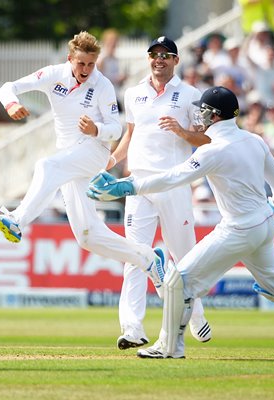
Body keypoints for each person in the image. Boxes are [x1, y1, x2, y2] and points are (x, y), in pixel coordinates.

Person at [87, 86, 274, 359]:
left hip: (238, 228)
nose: (199, 117)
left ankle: (169, 347)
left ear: (214, 116)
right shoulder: (253, 139)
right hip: (263, 223)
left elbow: (172, 178)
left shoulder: (213, 151)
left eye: (203, 112)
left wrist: (126, 187)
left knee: (178, 282)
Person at [0, 31, 168, 316]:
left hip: (94, 151)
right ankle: (148, 259)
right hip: (69, 156)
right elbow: (8, 87)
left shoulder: (103, 84)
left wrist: (95, 130)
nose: (85, 70)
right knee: (87, 236)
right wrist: (11, 104)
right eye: (81, 64)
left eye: (91, 64)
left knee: (46, 166)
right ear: (70, 58)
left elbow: (116, 129)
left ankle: (16, 220)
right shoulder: (54, 74)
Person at [106, 36, 212, 351]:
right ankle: (133, 327)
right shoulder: (134, 93)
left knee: (185, 257)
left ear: (176, 61)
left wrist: (182, 132)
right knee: (135, 256)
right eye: (154, 55)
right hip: (139, 183)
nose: (159, 60)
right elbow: (130, 136)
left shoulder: (191, 94)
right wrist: (109, 163)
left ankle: (195, 315)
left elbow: (206, 140)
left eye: (166, 55)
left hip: (174, 182)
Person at [97, 29, 127, 110]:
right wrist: (116, 78)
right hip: (105, 96)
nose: (113, 45)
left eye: (115, 43)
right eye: (111, 43)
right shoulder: (101, 59)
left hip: (115, 94)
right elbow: (99, 78)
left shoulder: (115, 59)